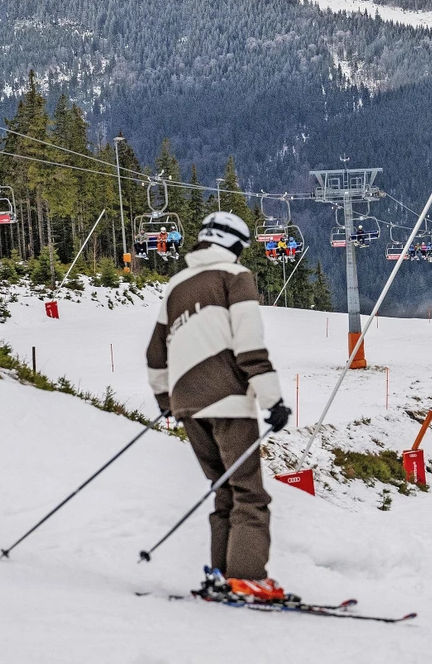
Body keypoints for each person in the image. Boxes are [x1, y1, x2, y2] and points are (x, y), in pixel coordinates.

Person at [146, 211, 291, 604]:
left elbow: (155, 355)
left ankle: (221, 576)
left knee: (224, 493)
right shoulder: (234, 277)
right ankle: (246, 579)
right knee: (249, 494)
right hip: (228, 402)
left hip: (188, 407)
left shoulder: (176, 285)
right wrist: (273, 400)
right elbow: (249, 345)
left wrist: (167, 403)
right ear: (233, 245)